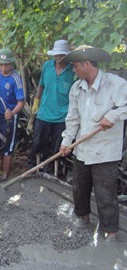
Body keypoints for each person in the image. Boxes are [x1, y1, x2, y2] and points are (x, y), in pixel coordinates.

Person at [59, 45, 127, 241]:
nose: (73, 70)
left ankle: (110, 231)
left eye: (75, 66)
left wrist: (113, 115)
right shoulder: (76, 89)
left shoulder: (116, 85)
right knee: (79, 188)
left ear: (86, 64)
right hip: (82, 149)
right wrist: (66, 142)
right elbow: (72, 118)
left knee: (106, 194)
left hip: (105, 152)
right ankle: (83, 218)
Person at [28, 40, 75, 171]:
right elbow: (41, 85)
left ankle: (50, 168)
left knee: (56, 146)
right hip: (44, 113)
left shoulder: (72, 71)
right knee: (38, 142)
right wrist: (36, 102)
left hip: (62, 116)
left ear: (67, 55)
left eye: (61, 55)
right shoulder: (47, 66)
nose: (58, 58)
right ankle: (32, 165)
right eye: (56, 55)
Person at [0, 48, 25, 179]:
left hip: (10, 116)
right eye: (1, 64)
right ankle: (1, 162)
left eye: (6, 65)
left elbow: (21, 102)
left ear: (12, 64)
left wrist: (12, 113)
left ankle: (6, 175)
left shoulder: (16, 78)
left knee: (8, 145)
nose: (3, 68)